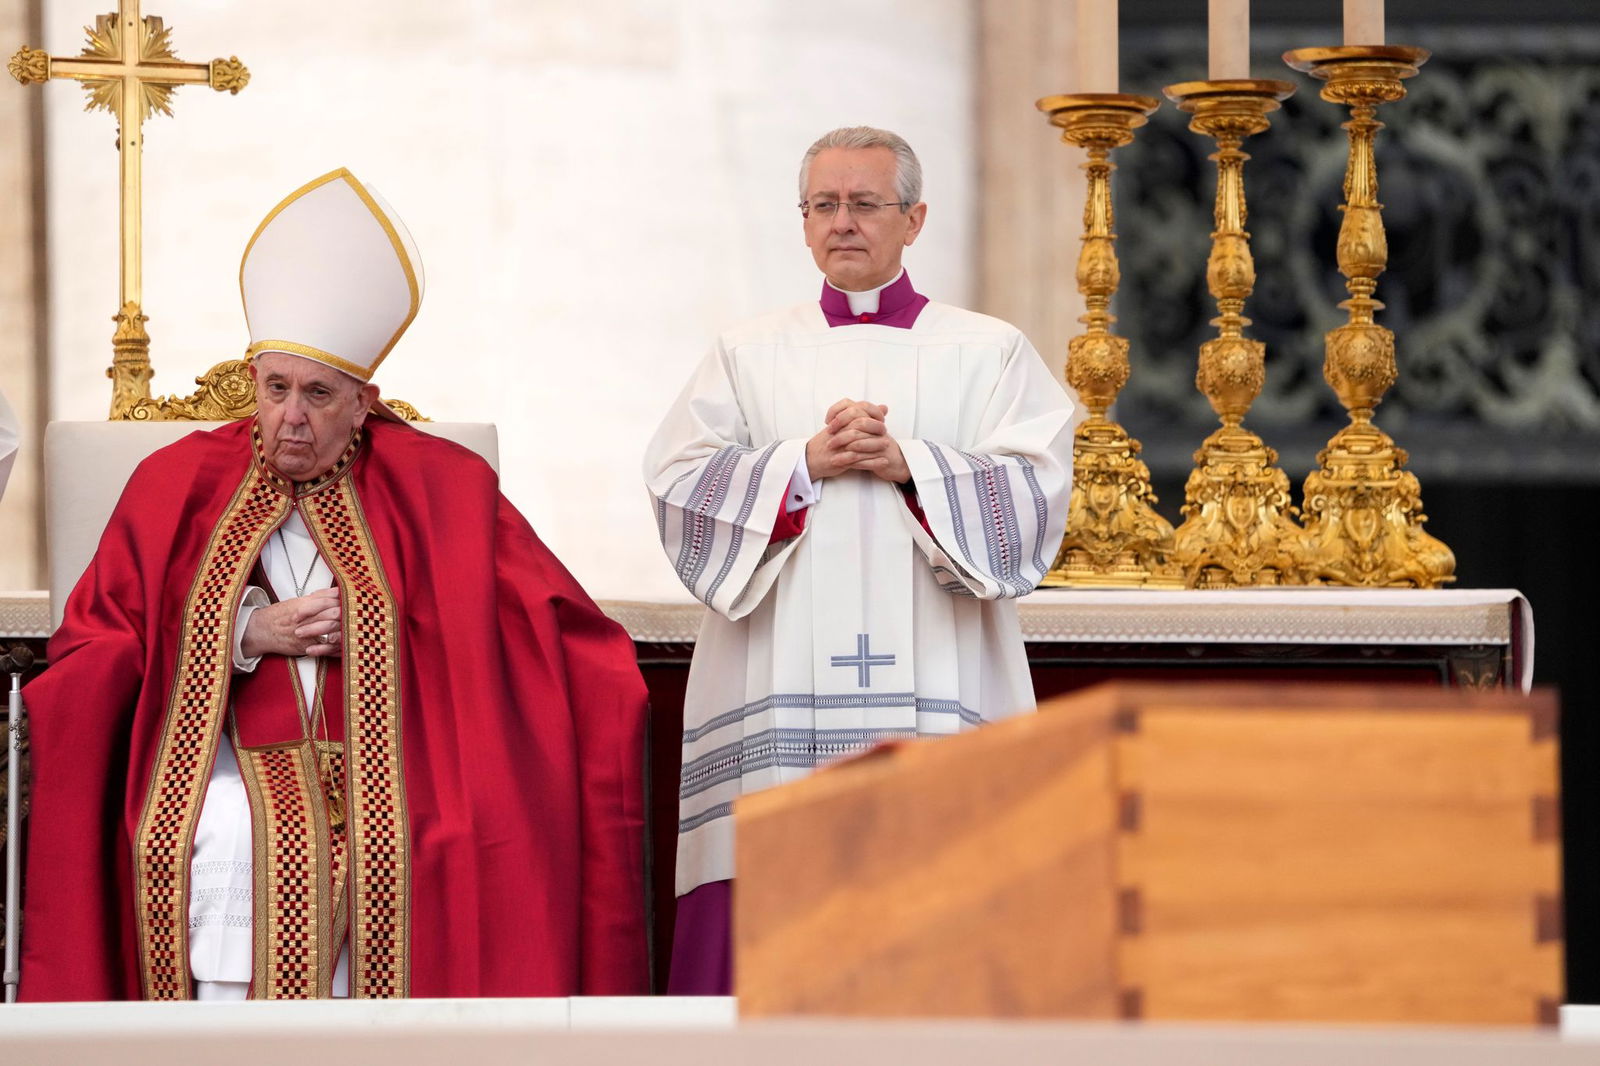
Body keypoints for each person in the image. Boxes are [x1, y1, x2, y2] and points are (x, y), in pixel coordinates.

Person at [21, 169, 648, 1000]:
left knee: (439, 837)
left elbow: (556, 634)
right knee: (225, 829)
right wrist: (242, 632)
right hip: (220, 765)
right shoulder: (174, 483)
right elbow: (99, 637)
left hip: (403, 764)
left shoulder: (442, 488)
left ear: (364, 403)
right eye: (273, 389)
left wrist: (400, 626)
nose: (289, 417)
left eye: (317, 395)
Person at [643, 127, 1083, 993]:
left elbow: (1037, 496)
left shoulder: (988, 350)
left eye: (866, 204)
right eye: (824, 205)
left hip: (941, 682)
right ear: (802, 223)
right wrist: (801, 462)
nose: (844, 222)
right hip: (774, 692)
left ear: (914, 219)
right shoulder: (745, 352)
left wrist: (910, 464)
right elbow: (678, 486)